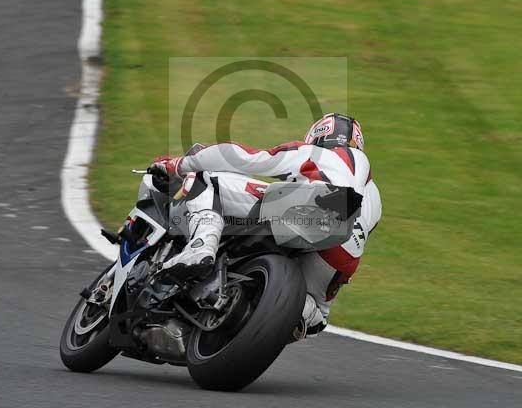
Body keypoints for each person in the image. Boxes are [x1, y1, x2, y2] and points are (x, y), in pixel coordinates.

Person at [150, 113, 382, 339]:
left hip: (310, 208)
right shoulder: (374, 195)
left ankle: (201, 247)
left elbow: (245, 158)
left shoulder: (318, 153)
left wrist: (180, 164)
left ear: (318, 135)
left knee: (204, 179)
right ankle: (297, 315)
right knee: (317, 315)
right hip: (342, 252)